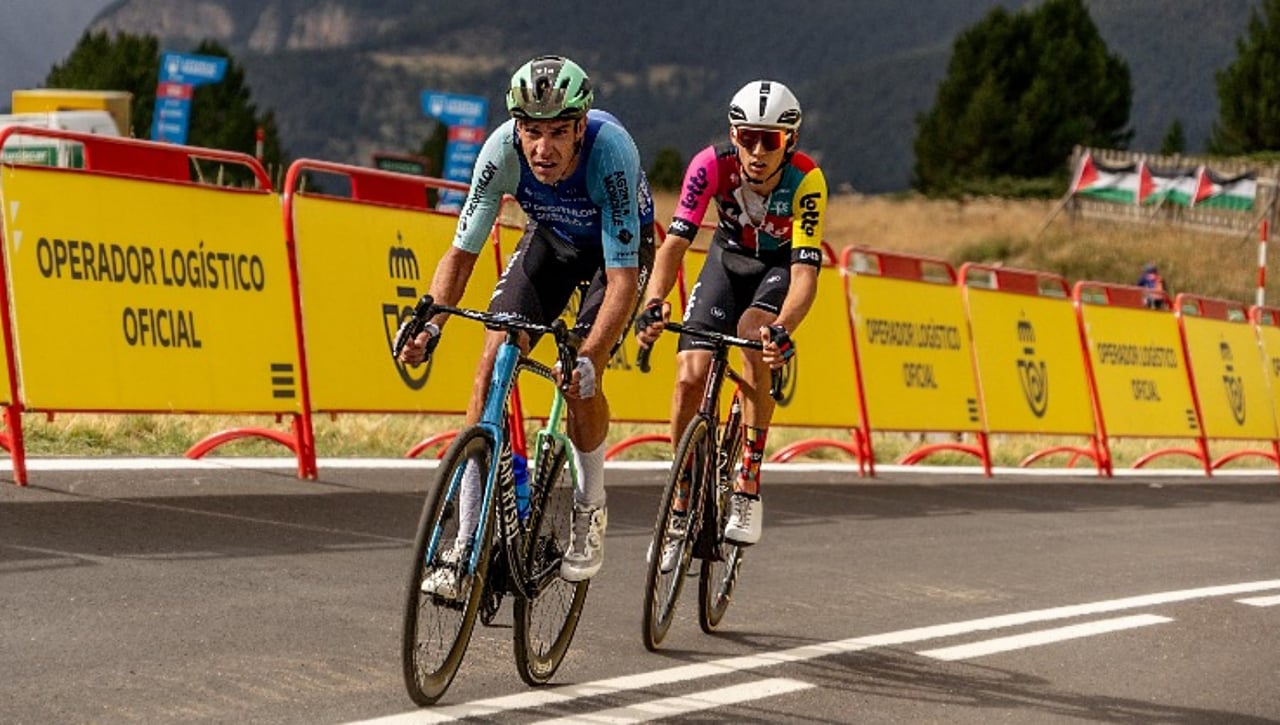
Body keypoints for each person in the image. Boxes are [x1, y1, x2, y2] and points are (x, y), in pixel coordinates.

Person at [398, 55, 654, 597]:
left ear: (580, 126)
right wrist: (431, 321)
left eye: (559, 132)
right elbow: (462, 254)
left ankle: (591, 504)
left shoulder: (611, 154)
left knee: (582, 378)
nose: (543, 147)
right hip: (553, 243)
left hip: (615, 257)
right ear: (517, 127)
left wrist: (589, 354)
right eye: (532, 131)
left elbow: (624, 281)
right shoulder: (499, 152)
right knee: (492, 360)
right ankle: (466, 544)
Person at [634, 80, 826, 556]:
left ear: (791, 141)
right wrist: (654, 301)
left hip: (777, 268)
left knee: (752, 337)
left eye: (770, 140)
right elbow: (674, 244)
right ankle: (682, 496)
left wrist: (784, 329)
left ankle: (748, 481)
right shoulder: (710, 166)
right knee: (688, 376)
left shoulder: (807, 181)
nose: (757, 151)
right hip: (727, 258)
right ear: (733, 135)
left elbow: (804, 275)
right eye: (747, 137)